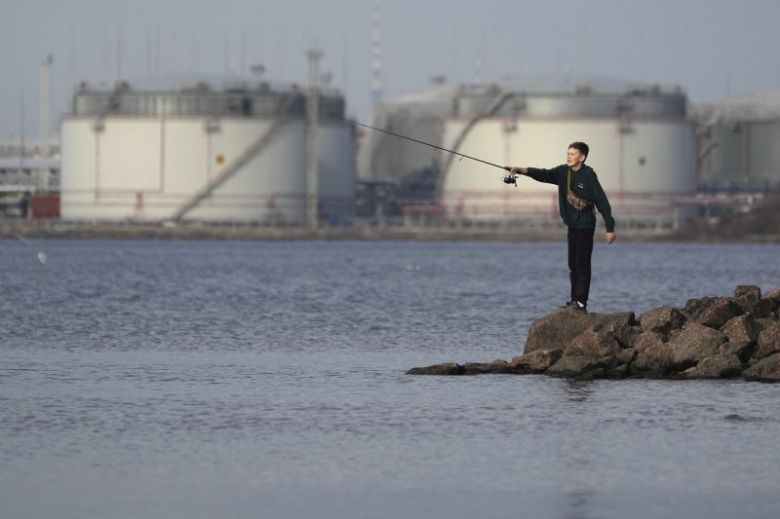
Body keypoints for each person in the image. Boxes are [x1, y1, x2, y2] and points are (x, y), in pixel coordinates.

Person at [506, 142, 616, 312]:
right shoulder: (563, 172)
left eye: (573, 154)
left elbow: (602, 202)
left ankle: (581, 302)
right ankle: (574, 300)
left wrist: (610, 229)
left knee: (582, 263)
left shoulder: (588, 175)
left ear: (582, 157)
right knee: (572, 264)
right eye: (568, 153)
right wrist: (520, 170)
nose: (569, 156)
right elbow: (543, 174)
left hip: (586, 226)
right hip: (572, 225)